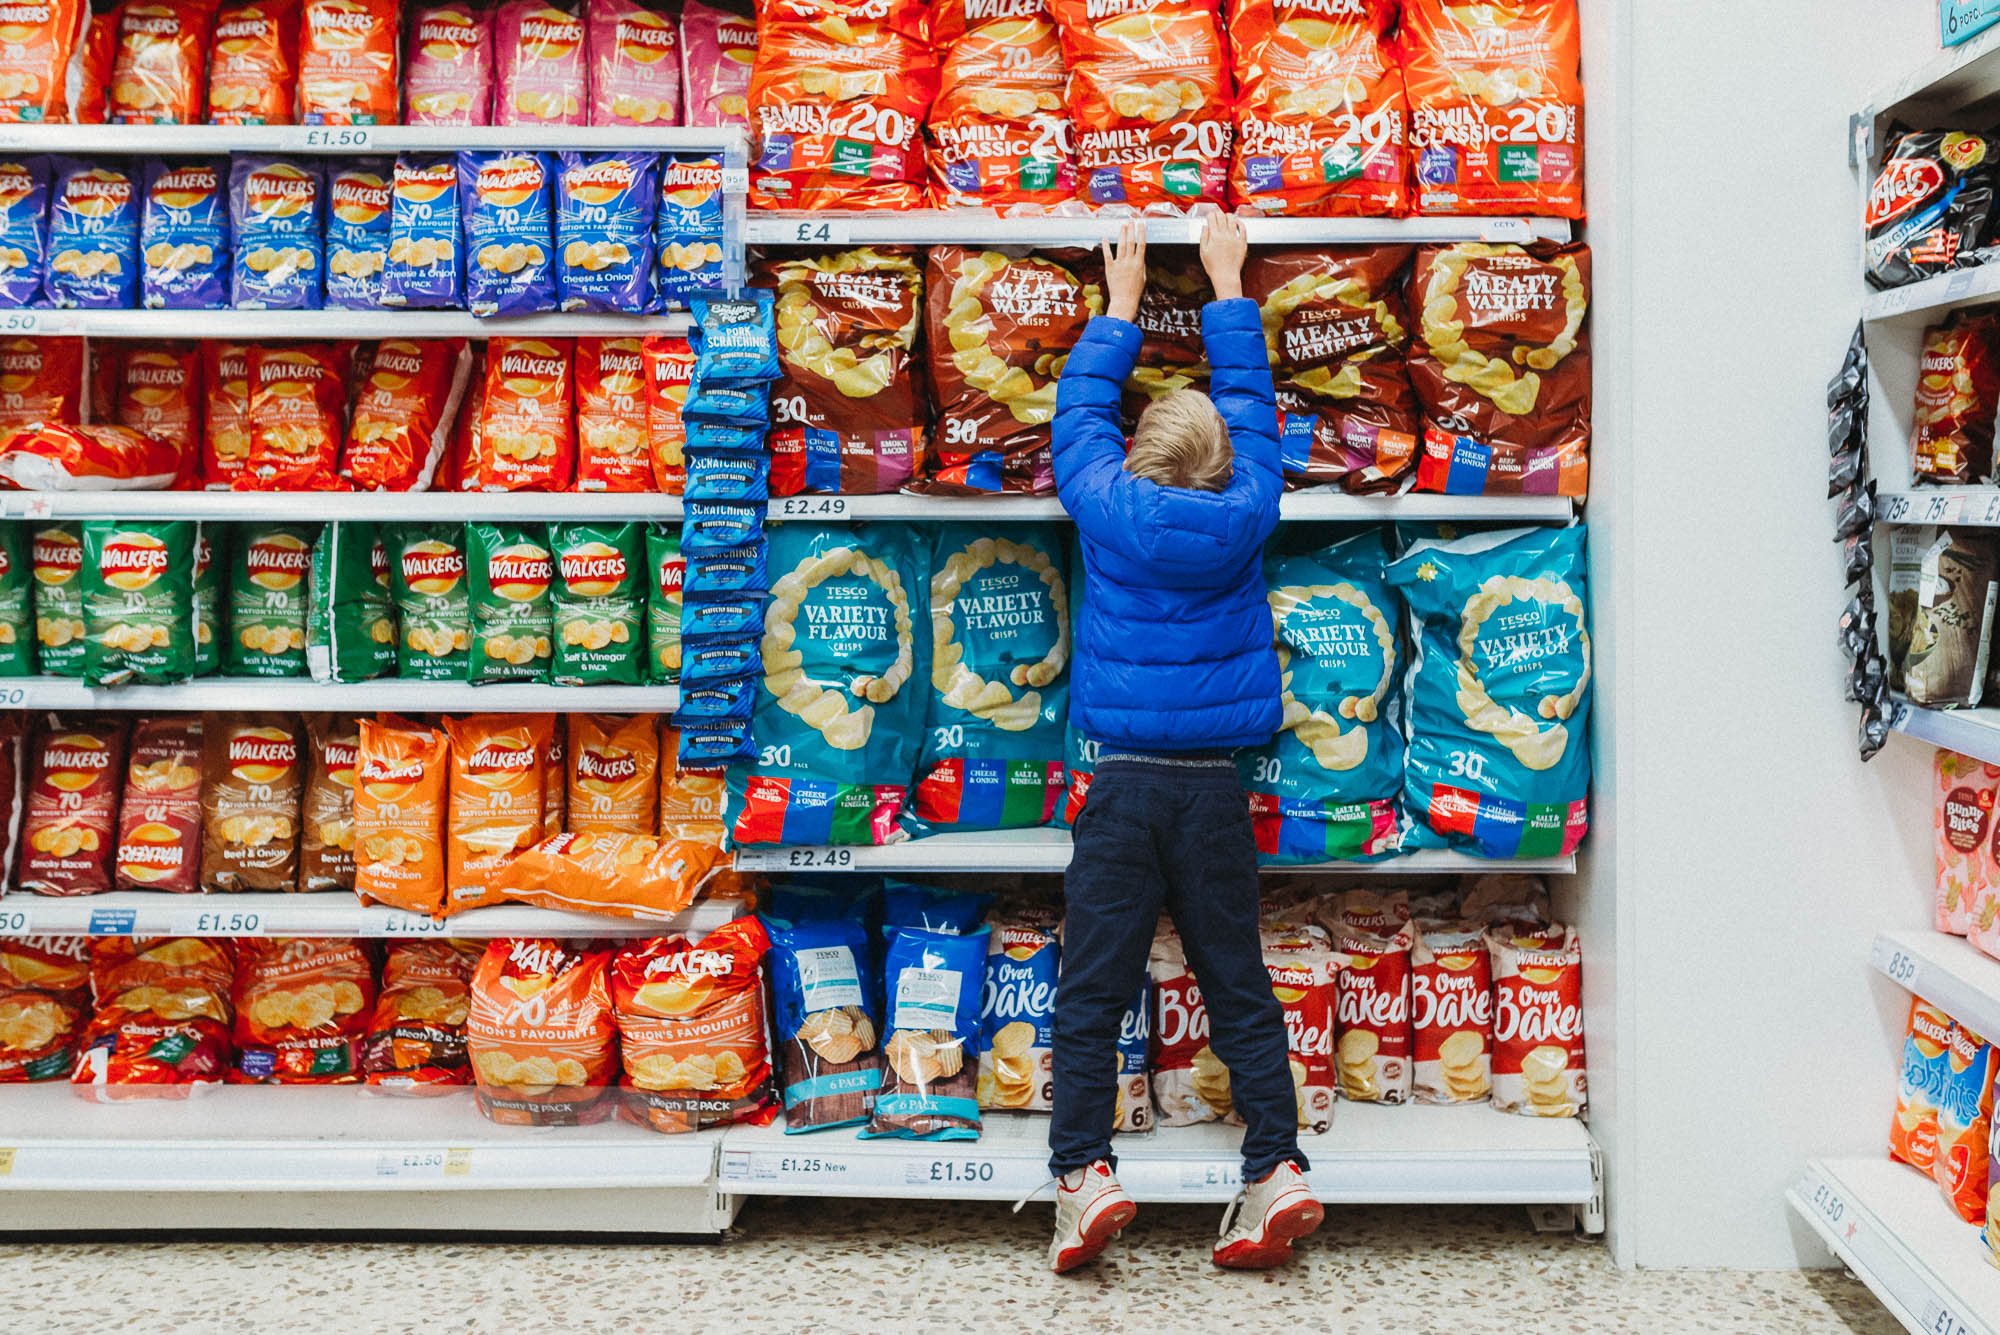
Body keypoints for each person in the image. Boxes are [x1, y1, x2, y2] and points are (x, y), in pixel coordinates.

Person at [1032, 215, 1322, 1272]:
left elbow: (1077, 416)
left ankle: (1082, 1176)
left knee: (1092, 989)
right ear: (1228, 465)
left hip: (1119, 789)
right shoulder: (1251, 505)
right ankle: (1275, 1168)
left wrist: (1118, 305)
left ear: (1135, 458)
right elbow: (1251, 404)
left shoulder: (1102, 501)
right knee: (1234, 978)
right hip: (1212, 793)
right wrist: (1226, 284)